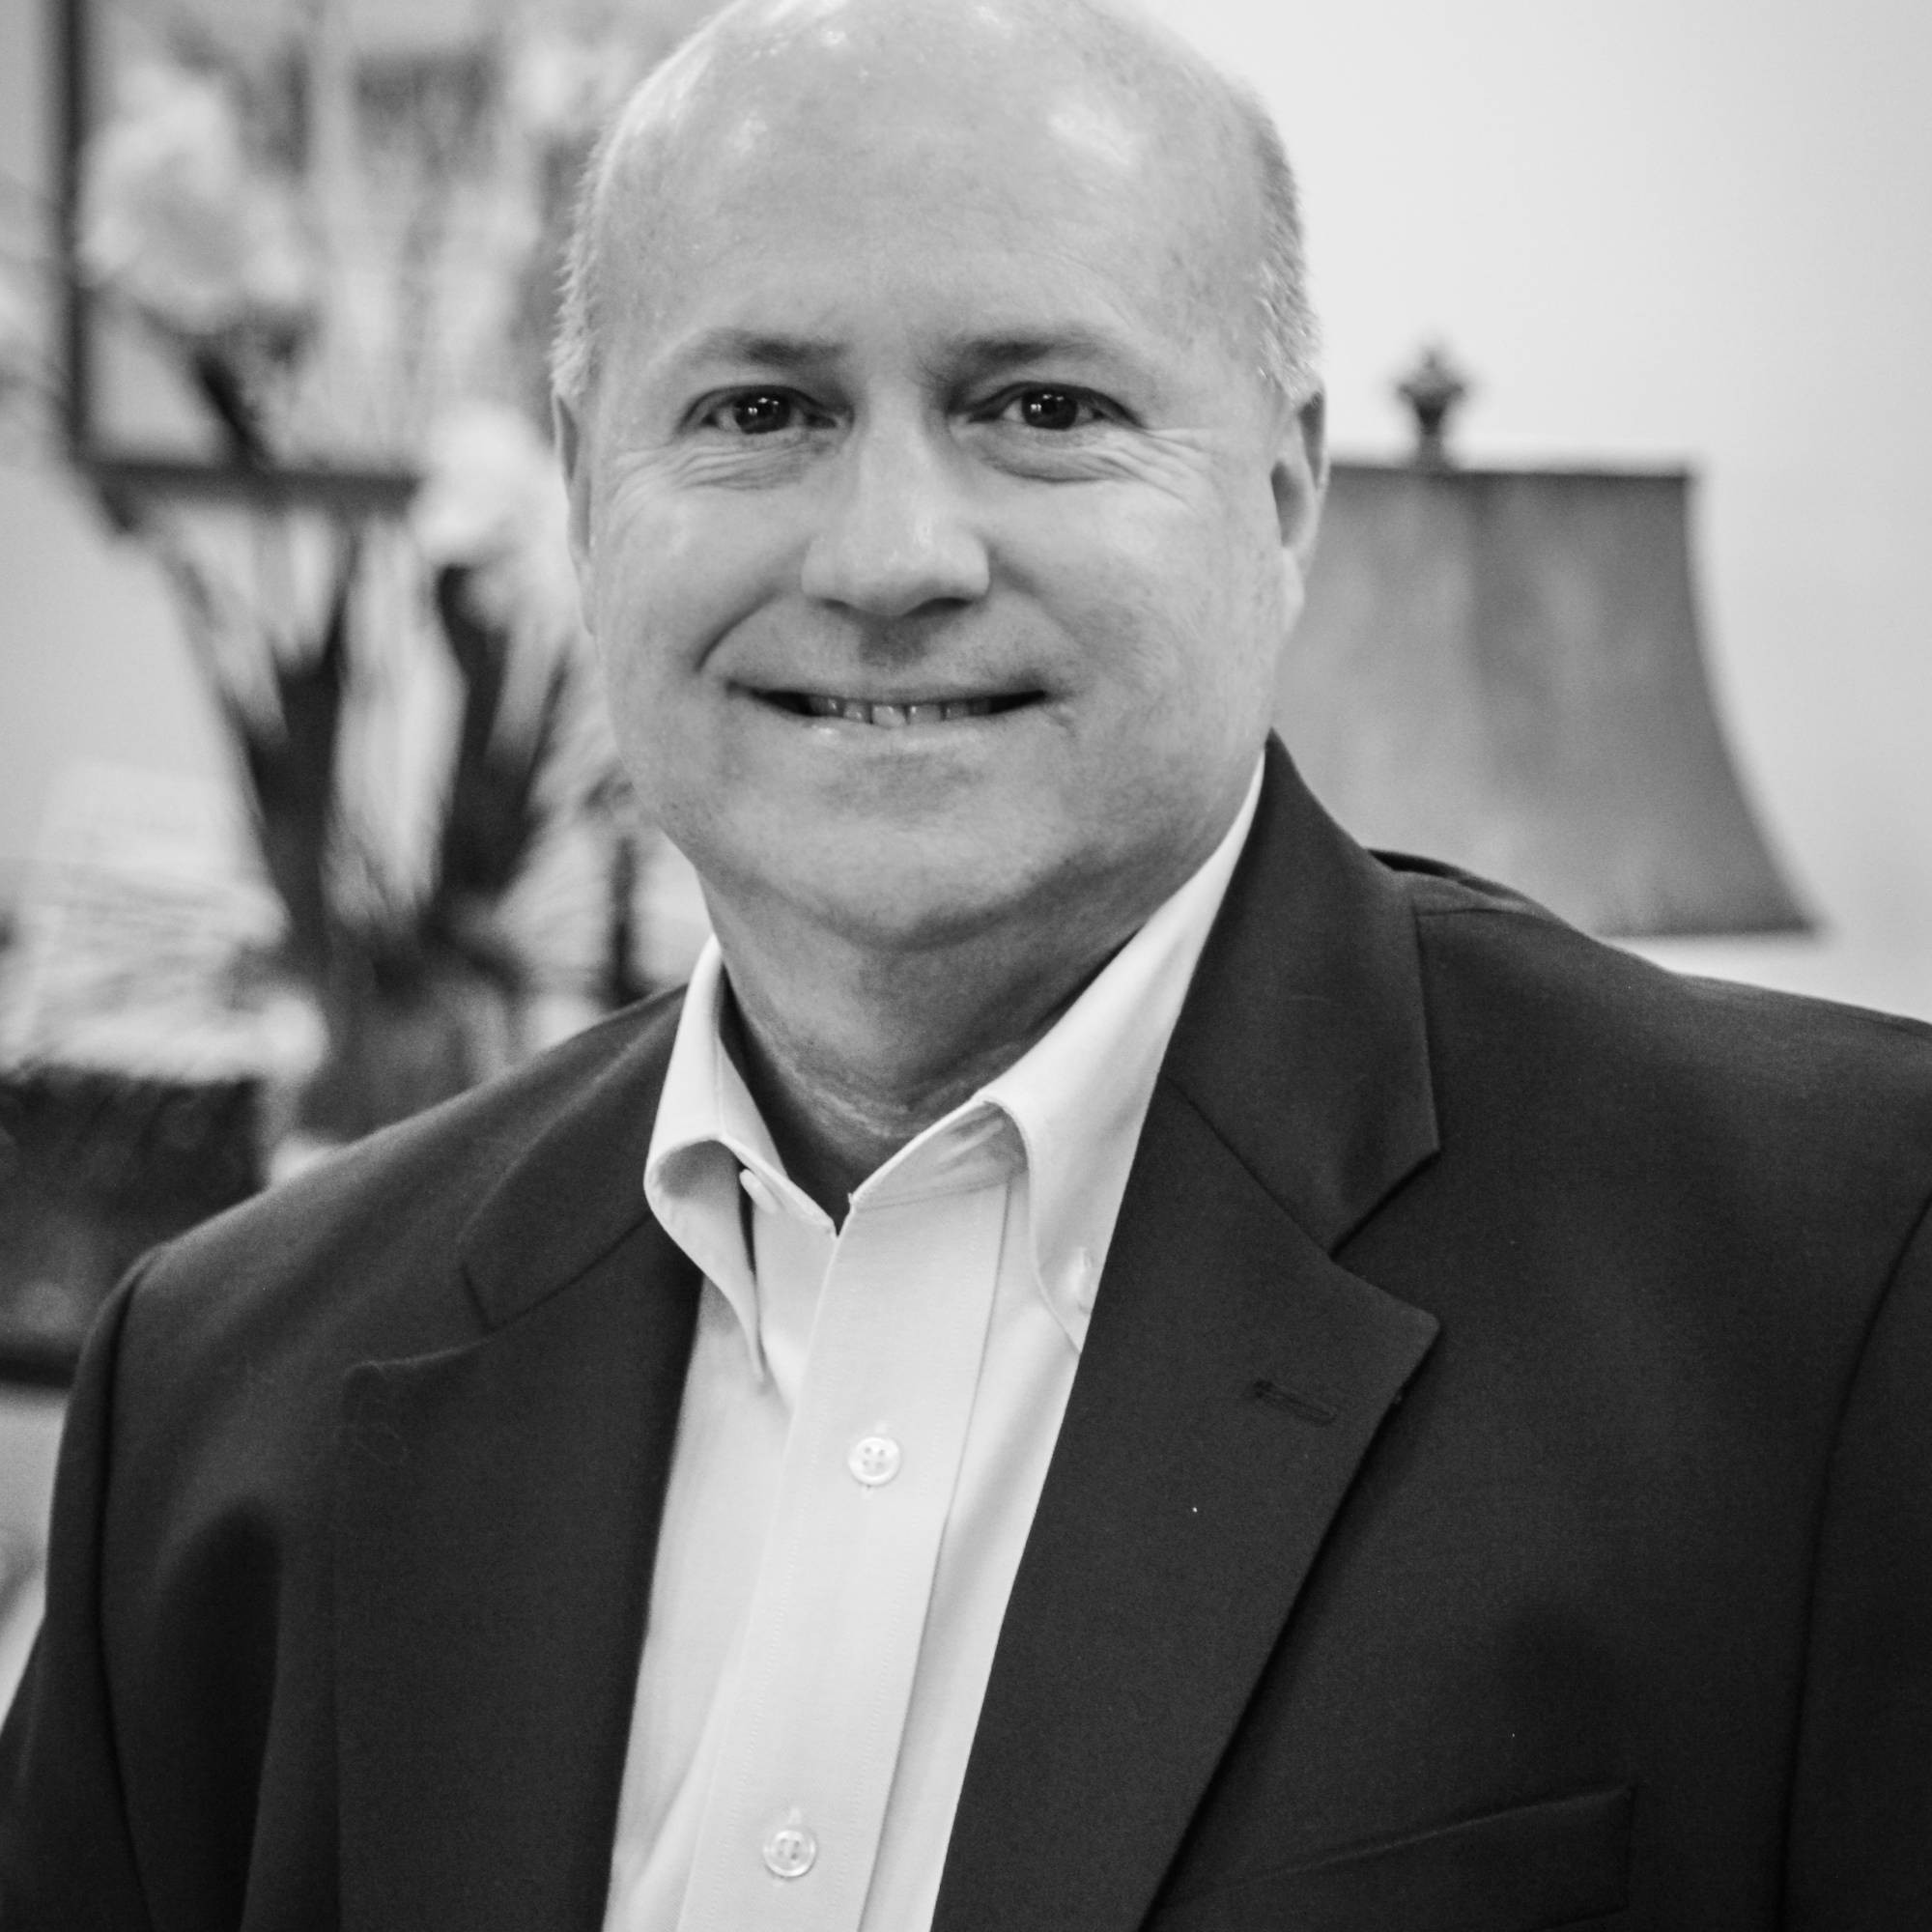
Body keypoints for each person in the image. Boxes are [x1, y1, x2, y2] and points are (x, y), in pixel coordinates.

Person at [5, 0, 1930, 1925]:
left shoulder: (1840, 1287)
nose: (890, 557)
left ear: (1282, 493)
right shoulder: (218, 1386)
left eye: (1042, 408)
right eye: (761, 412)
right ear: (587, 497)